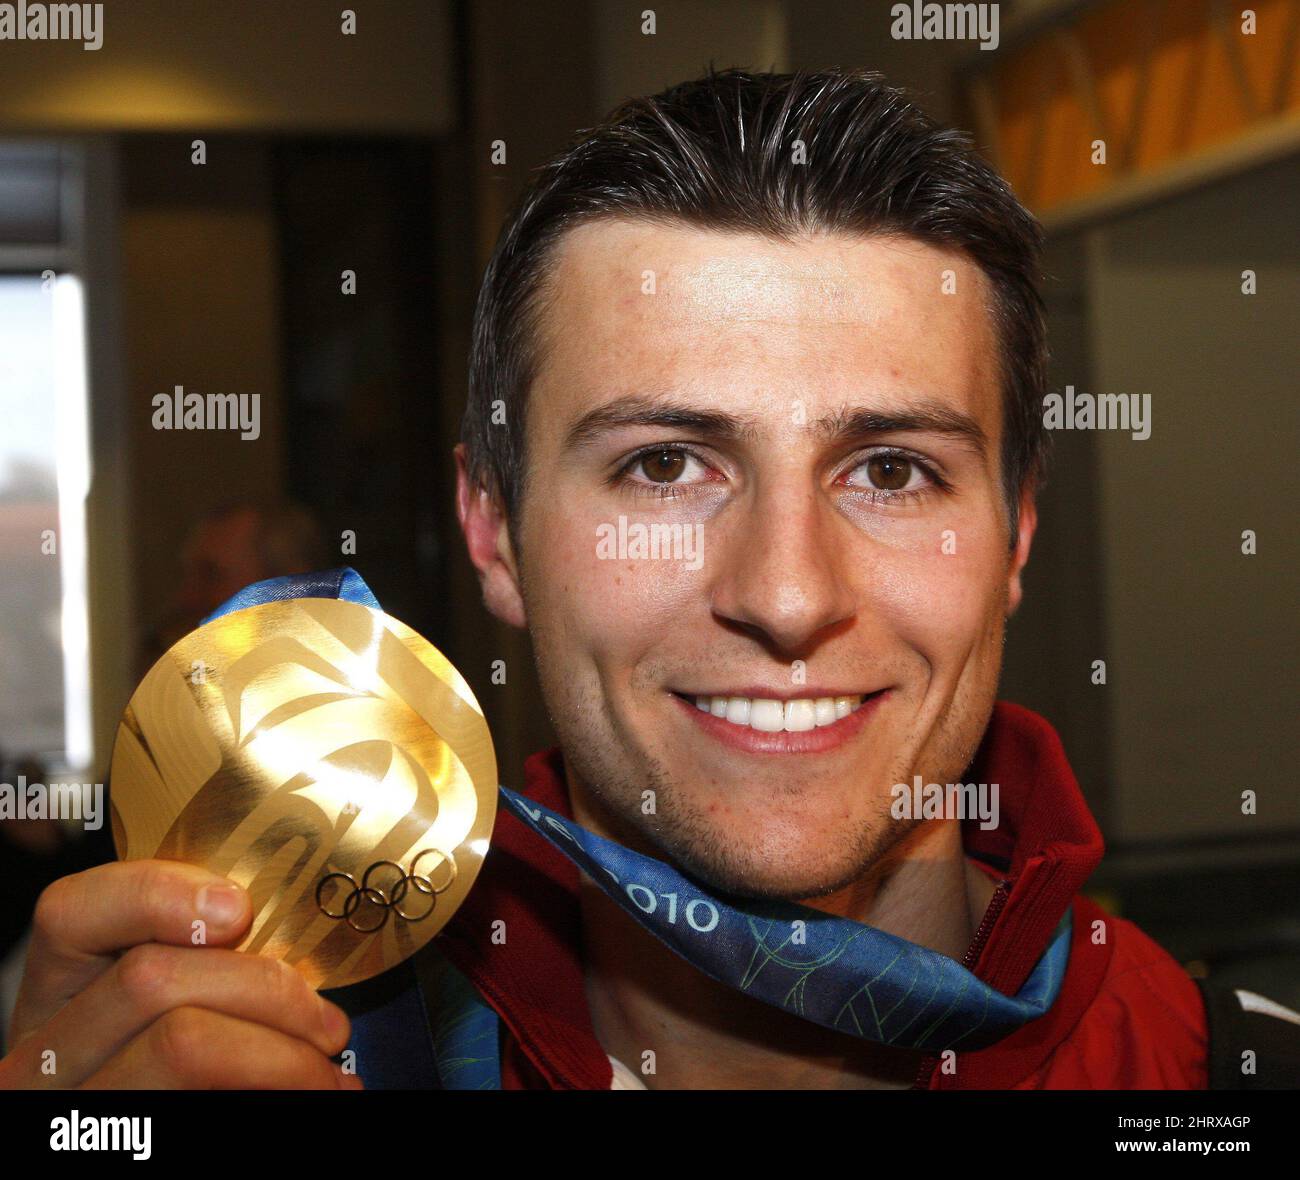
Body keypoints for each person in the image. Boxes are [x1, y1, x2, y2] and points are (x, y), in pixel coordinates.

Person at [2, 68, 1293, 1091]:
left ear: (1013, 538)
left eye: (891, 470)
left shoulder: (1227, 1070)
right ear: (494, 533)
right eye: (666, 463)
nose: (787, 596)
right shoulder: (286, 1055)